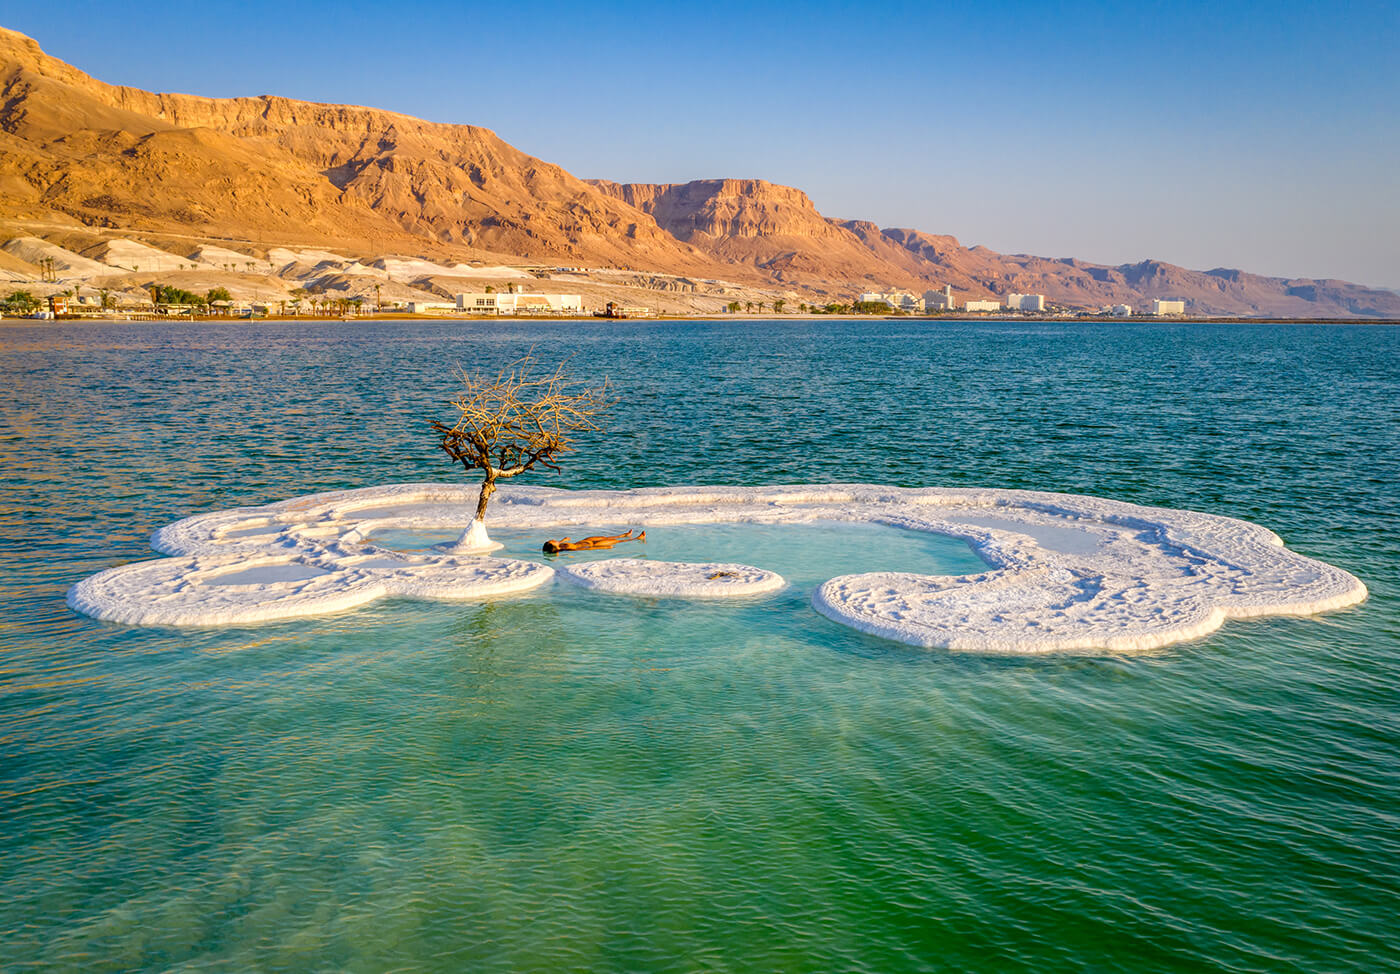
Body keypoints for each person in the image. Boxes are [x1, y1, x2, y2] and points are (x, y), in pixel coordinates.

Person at [542, 529, 645, 553]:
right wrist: (603, 547)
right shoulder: (567, 548)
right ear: (552, 545)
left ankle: (624, 535)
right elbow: (585, 549)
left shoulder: (561, 545)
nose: (554, 540)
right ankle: (637, 538)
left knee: (605, 537)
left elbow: (559, 544)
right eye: (552, 540)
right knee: (615, 541)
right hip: (591, 544)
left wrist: (564, 539)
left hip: (585, 540)